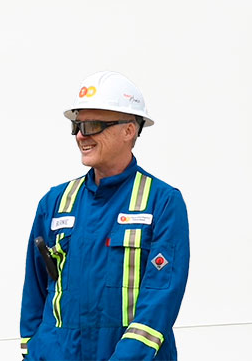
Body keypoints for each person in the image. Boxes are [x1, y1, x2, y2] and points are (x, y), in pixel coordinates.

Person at [21, 71, 189, 360]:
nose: (81, 135)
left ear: (129, 130)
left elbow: (161, 296)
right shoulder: (55, 202)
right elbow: (34, 291)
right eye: (77, 125)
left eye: (93, 124)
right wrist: (34, 350)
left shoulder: (161, 202)